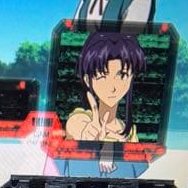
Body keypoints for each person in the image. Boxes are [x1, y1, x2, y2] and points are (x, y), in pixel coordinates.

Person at [63, 30, 147, 176]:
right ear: (87, 80)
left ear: (132, 77)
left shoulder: (129, 133)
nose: (112, 87)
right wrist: (88, 136)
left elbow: (140, 171)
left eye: (122, 74)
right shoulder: (82, 117)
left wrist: (110, 146)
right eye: (102, 76)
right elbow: (75, 126)